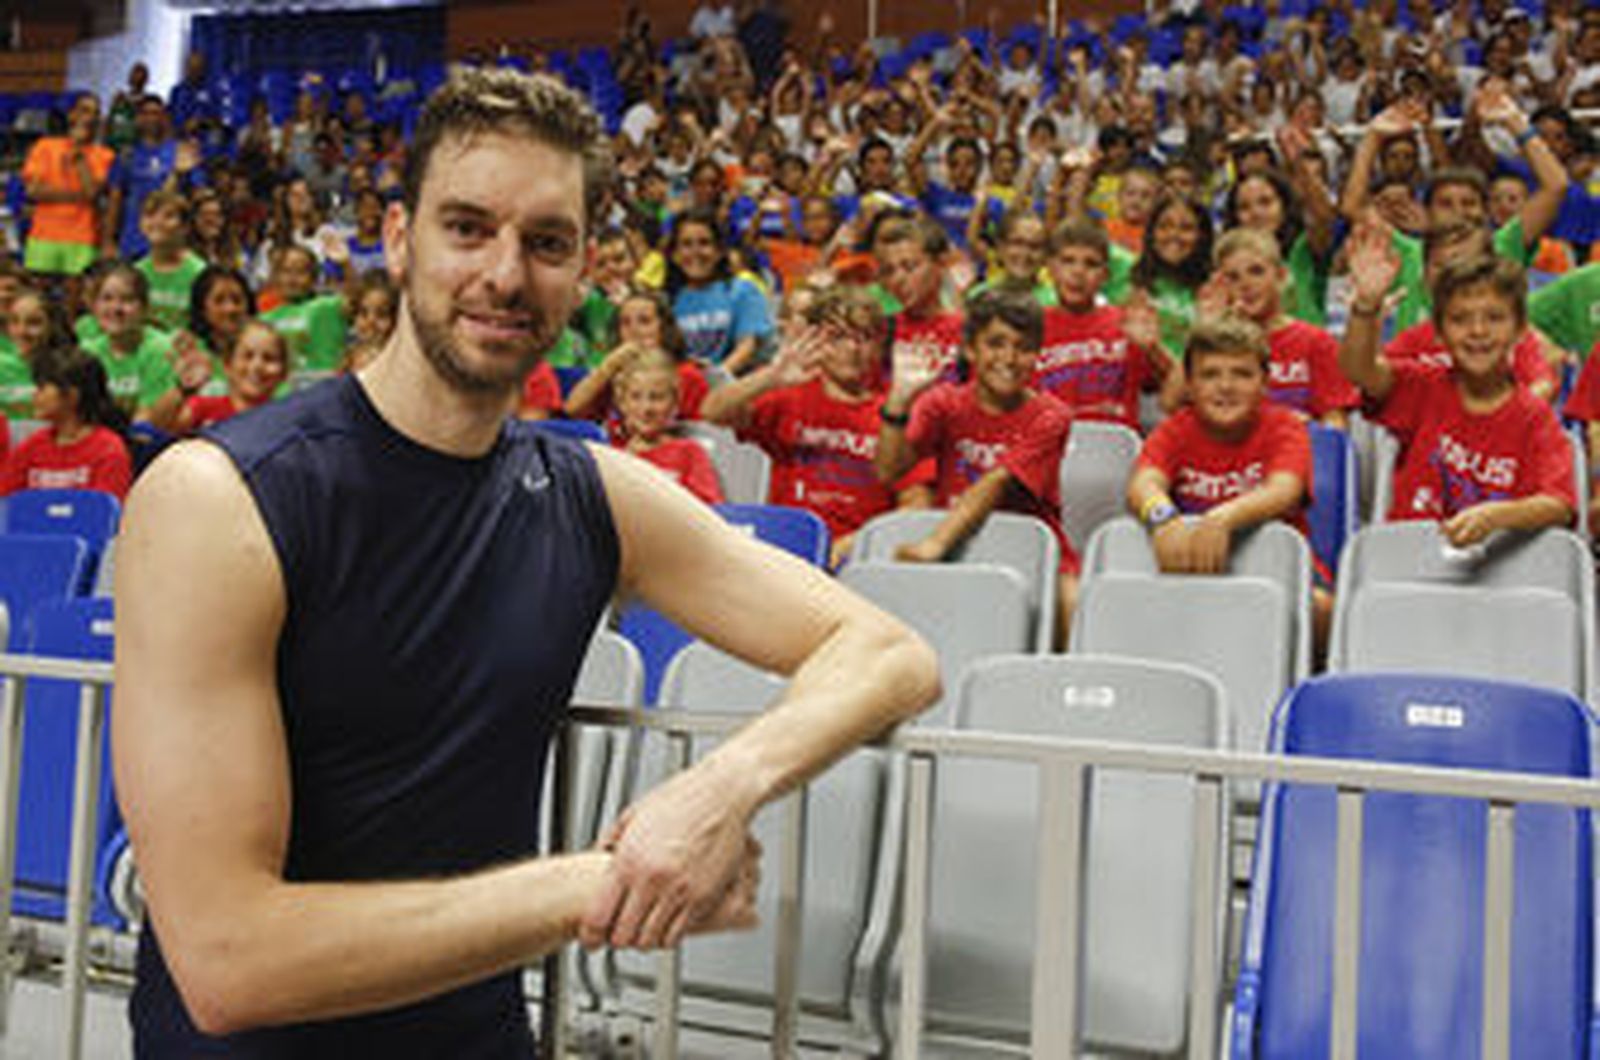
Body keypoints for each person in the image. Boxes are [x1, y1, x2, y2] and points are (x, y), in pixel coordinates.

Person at [112, 67, 939, 1056]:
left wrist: (715, 790)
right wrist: (601, 882)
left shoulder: (589, 492)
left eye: (546, 242)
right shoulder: (220, 497)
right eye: (467, 227)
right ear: (394, 238)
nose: (506, 274)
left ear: (585, 266)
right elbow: (225, 958)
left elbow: (890, 653)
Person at [1339, 219, 1575, 538]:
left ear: (1520, 330)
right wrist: (1365, 307)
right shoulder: (1423, 386)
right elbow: (1360, 371)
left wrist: (1499, 516)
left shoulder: (1534, 417)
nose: (1478, 332)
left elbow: (1560, 504)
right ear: (1439, 332)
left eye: (1494, 318)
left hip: (1500, 572)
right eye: (1460, 320)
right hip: (1413, 559)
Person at [873, 287, 1078, 644]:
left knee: (1072, 602)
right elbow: (888, 470)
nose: (1009, 358)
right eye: (995, 344)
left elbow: (998, 482)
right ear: (970, 349)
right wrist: (898, 402)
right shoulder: (942, 403)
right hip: (959, 543)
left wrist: (935, 543)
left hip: (1028, 547)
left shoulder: (1052, 415)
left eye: (1023, 347)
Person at [1125, 314, 1329, 635]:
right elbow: (1144, 482)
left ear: (1265, 383)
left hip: (1274, 569)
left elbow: (1285, 488)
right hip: (1189, 568)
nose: (1226, 386)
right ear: (1189, 386)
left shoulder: (1284, 426)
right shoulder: (1176, 429)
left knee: (1321, 608)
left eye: (1242, 374)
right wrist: (1161, 516)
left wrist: (1223, 518)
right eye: (1209, 375)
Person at [700, 284, 900, 567]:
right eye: (839, 337)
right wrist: (773, 375)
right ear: (815, 339)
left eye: (865, 337)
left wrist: (857, 543)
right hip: (788, 549)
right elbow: (712, 411)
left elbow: (915, 503)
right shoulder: (791, 397)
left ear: (880, 345)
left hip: (862, 558)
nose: (853, 349)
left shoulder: (895, 412)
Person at [0, 345, 131, 498]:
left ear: (71, 396)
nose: (34, 395)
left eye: (42, 388)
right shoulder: (31, 447)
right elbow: (6, 503)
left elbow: (105, 513)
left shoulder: (108, 451)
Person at [21, 92, 113, 283]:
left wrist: (79, 154)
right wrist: (76, 196)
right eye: (84, 111)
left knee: (74, 301)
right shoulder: (44, 147)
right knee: (38, 296)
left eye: (95, 113)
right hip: (43, 235)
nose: (89, 117)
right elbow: (33, 192)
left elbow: (91, 194)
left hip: (82, 237)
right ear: (71, 115)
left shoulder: (104, 155)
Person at [611, 348, 723, 504]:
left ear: (675, 403)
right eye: (635, 397)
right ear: (622, 403)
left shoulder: (690, 453)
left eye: (656, 398)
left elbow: (709, 511)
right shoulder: (611, 457)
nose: (646, 408)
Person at [170, 319, 290, 433]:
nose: (257, 366)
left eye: (269, 358)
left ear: (284, 372)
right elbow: (165, 428)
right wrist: (182, 390)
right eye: (247, 356)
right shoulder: (202, 408)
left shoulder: (288, 420)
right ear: (227, 364)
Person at [134, 190, 209, 333]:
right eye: (150, 215)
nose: (157, 222)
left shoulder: (200, 273)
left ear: (184, 227)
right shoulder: (136, 272)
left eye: (168, 216)